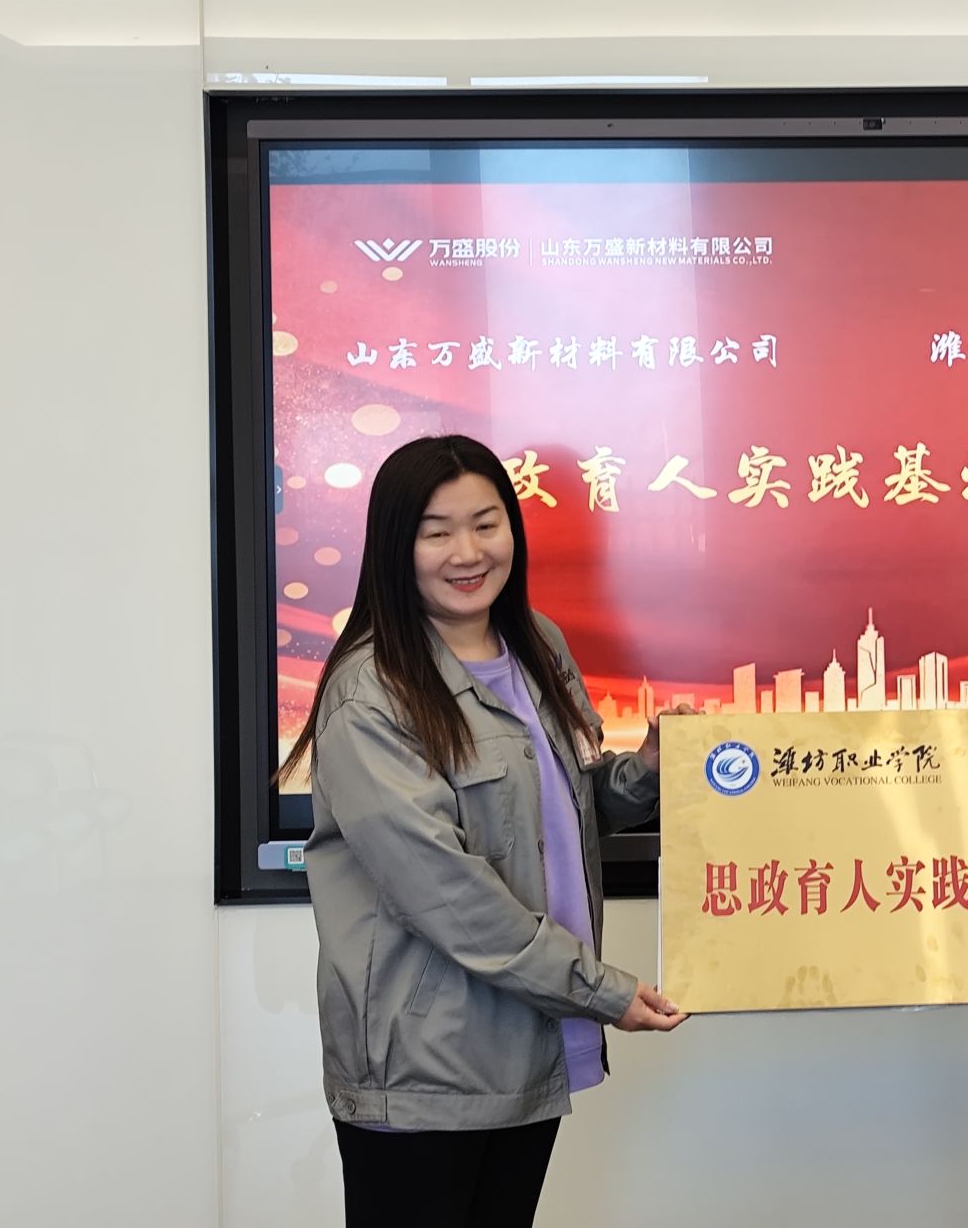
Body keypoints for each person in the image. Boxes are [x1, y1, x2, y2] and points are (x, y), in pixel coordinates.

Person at [277, 434, 684, 1228]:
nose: (467, 552)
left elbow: (561, 810)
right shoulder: (372, 693)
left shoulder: (537, 644)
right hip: (427, 1066)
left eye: (486, 524)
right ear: (396, 547)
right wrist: (601, 991)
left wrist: (648, 771)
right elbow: (448, 894)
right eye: (437, 532)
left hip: (532, 1038)